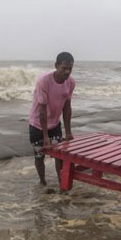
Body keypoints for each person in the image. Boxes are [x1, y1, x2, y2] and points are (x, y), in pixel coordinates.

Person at [29, 52, 75, 185]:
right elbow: (42, 109)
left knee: (59, 156)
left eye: (70, 69)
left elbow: (67, 107)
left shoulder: (70, 82)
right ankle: (42, 182)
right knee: (39, 155)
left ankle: (61, 182)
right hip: (38, 125)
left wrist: (68, 132)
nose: (67, 72)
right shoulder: (44, 80)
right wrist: (45, 136)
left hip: (55, 124)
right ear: (56, 66)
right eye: (64, 68)